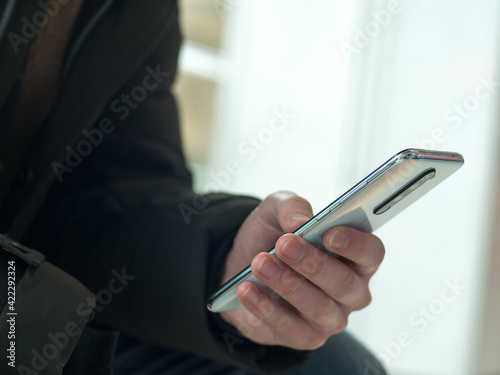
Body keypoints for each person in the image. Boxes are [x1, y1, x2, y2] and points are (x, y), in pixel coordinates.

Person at [0, 1, 387, 374]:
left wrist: (218, 263)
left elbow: (104, 191)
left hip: (30, 286)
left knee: (340, 368)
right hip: (18, 305)